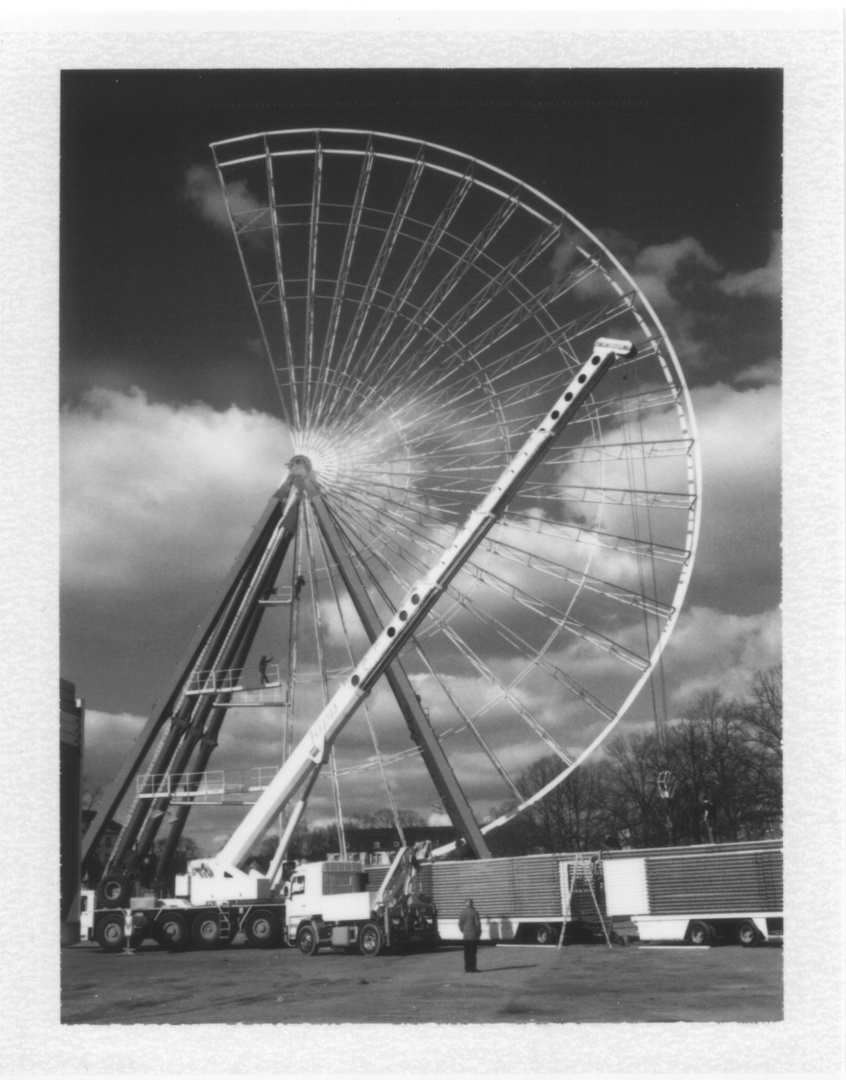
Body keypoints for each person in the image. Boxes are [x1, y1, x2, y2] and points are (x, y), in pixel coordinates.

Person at [458, 897, 482, 973]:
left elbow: (460, 924)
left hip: (466, 936)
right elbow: (477, 924)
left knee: (466, 953)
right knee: (473, 952)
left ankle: (467, 968)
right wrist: (478, 933)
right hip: (473, 936)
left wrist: (463, 931)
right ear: (472, 904)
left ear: (466, 904)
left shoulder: (462, 913)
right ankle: (473, 968)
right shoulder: (474, 912)